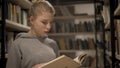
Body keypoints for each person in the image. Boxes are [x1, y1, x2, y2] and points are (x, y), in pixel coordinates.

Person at [6, 0, 59, 68]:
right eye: (44, 22)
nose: (49, 27)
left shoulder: (53, 44)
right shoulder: (18, 45)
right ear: (32, 20)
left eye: (50, 22)